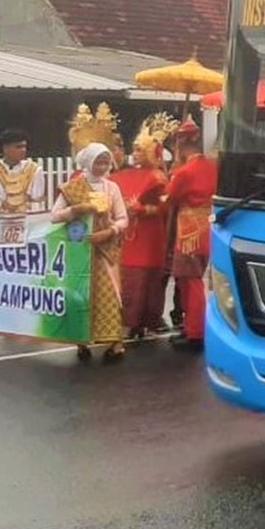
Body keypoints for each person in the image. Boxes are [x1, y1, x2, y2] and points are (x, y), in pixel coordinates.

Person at [52, 142, 129, 363]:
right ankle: (81, 342)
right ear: (88, 162)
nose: (103, 166)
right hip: (80, 250)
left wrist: (109, 232)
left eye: (106, 162)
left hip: (105, 250)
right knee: (80, 296)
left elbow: (123, 218)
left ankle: (115, 343)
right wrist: (76, 210)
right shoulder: (73, 188)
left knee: (110, 295)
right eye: (98, 162)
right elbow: (54, 216)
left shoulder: (111, 188)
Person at [112, 113, 176, 340]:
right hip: (132, 235)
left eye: (140, 149)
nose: (135, 153)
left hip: (150, 236)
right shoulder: (124, 175)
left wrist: (140, 209)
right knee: (130, 277)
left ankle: (148, 319)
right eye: (135, 149)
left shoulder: (158, 177)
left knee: (147, 277)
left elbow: (164, 208)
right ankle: (130, 320)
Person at [163, 116, 216, 351]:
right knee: (191, 280)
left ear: (182, 145)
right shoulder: (211, 166)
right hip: (205, 228)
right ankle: (190, 326)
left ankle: (196, 331)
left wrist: (174, 172)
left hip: (188, 234)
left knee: (189, 282)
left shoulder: (185, 172)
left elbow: (169, 197)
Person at [0, 128, 47, 214]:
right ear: (5, 148)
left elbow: (37, 201)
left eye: (24, 146)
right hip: (1, 218)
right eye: (18, 147)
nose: (23, 150)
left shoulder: (35, 170)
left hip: (26, 218)